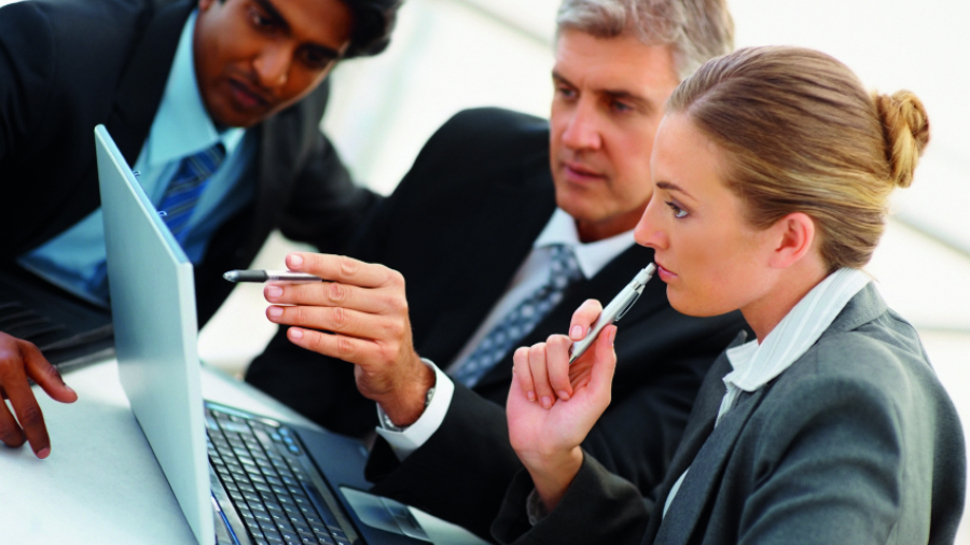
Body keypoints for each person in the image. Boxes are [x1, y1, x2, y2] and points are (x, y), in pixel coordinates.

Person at [244, 0, 746, 538]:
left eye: (619, 105)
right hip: (284, 476)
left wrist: (415, 394)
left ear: (695, 128)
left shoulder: (706, 311)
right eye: (566, 91)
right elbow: (301, 362)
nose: (576, 135)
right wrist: (250, 456)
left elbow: (577, 497)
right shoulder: (473, 149)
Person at [489, 45, 967, 545]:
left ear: (788, 239)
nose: (643, 232)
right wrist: (554, 463)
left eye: (676, 207)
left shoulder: (849, 401)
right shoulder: (765, 354)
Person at [0, 0, 402, 458]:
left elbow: (357, 224)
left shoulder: (294, 113)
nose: (273, 74)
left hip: (113, 389)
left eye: (312, 57)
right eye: (264, 22)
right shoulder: (50, 44)